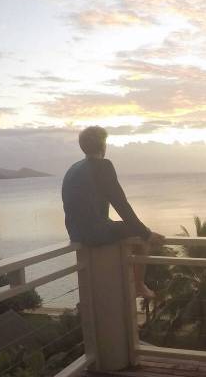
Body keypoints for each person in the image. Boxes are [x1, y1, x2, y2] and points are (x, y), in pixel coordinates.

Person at [61, 126, 163, 297]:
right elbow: (121, 203)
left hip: (76, 234)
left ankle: (136, 283)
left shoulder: (74, 168)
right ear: (103, 146)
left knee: (126, 231)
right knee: (140, 239)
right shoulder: (103, 166)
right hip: (95, 233)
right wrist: (146, 233)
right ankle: (139, 285)